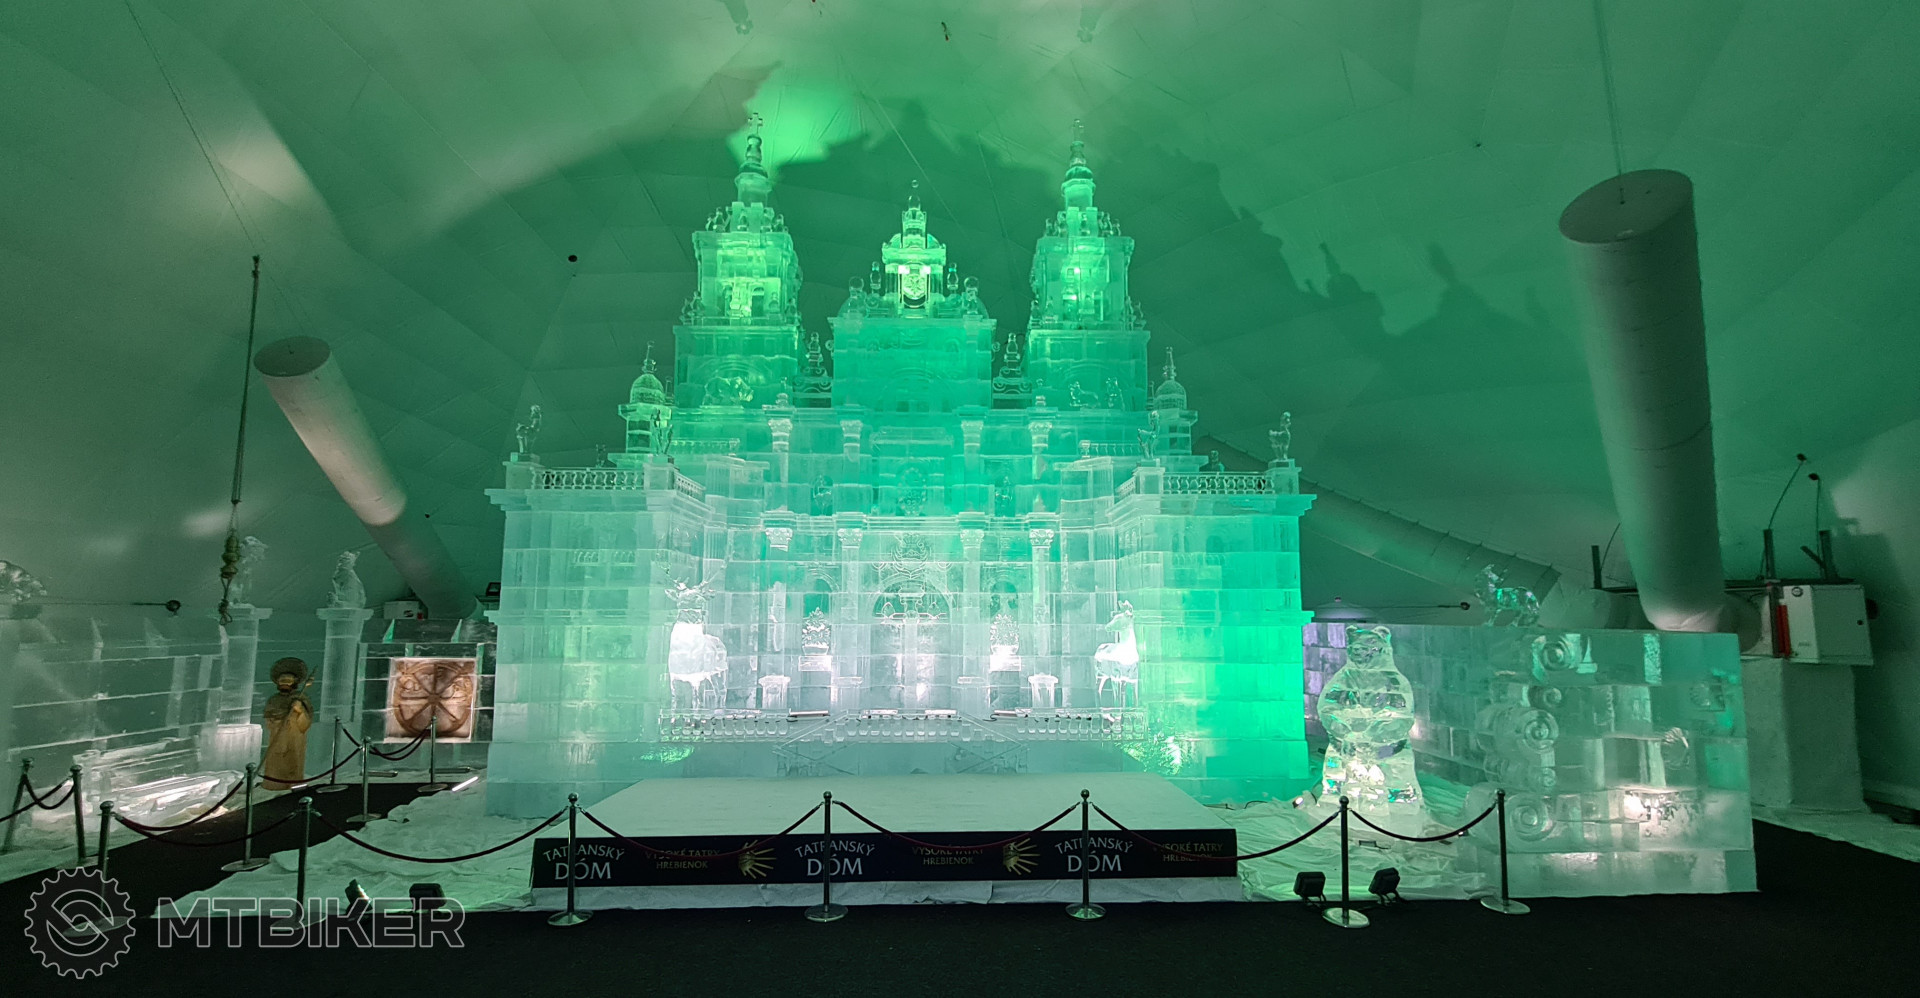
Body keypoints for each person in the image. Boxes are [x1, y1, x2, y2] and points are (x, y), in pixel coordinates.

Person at [260, 657, 313, 790]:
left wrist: (299, 710)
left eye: (288, 681)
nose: (285, 684)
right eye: (282, 681)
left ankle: (293, 784)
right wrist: (276, 720)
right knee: (275, 760)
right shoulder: (274, 699)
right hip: (278, 735)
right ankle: (273, 784)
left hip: (294, 736)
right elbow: (268, 717)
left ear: (294, 682)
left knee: (293, 759)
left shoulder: (300, 698)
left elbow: (306, 721)